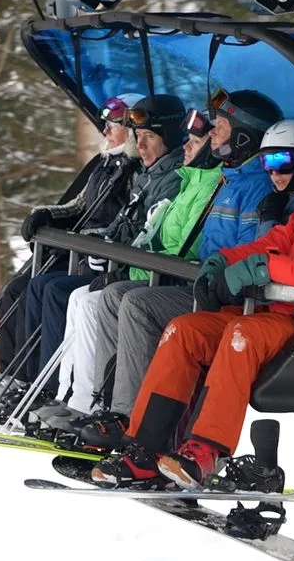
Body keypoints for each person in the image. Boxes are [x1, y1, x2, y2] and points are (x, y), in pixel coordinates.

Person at [89, 108, 294, 488]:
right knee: (183, 330)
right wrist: (227, 259)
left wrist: (264, 270)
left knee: (241, 335)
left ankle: (205, 449)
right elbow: (277, 240)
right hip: (271, 310)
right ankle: (143, 448)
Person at [74, 90, 284, 448]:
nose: (213, 134)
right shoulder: (228, 181)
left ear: (245, 136)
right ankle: (107, 406)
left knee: (138, 305)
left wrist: (218, 273)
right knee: (113, 297)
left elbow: (253, 253)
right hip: (200, 282)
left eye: (220, 127)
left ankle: (129, 417)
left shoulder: (259, 189)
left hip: (222, 297)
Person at [39, 118, 222, 425]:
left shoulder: (197, 183)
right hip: (149, 274)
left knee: (98, 301)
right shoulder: (185, 179)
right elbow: (143, 231)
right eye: (138, 136)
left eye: (196, 141)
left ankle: (106, 408)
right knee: (80, 296)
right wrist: (105, 245)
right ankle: (88, 401)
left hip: (177, 284)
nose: (187, 146)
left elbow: (182, 250)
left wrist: (125, 269)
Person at [17, 94, 187, 396]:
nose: (142, 144)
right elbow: (99, 212)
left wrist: (108, 248)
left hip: (138, 274)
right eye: (138, 136)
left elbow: (148, 233)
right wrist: (50, 217)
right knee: (31, 287)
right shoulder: (138, 172)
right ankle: (31, 384)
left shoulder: (163, 175)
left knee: (66, 294)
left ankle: (66, 393)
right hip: (118, 264)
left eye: (148, 136)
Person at [0, 94, 143, 379]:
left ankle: (32, 379)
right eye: (104, 125)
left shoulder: (135, 170)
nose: (106, 131)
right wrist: (44, 214)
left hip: (97, 256)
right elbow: (79, 206)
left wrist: (92, 237)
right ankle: (8, 375)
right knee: (16, 290)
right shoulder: (105, 163)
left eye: (112, 125)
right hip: (76, 249)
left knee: (44, 292)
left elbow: (128, 219)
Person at [254, 119, 294, 238]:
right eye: (268, 162)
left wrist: (269, 221)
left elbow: (270, 251)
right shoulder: (281, 199)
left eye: (283, 163)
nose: (275, 173)